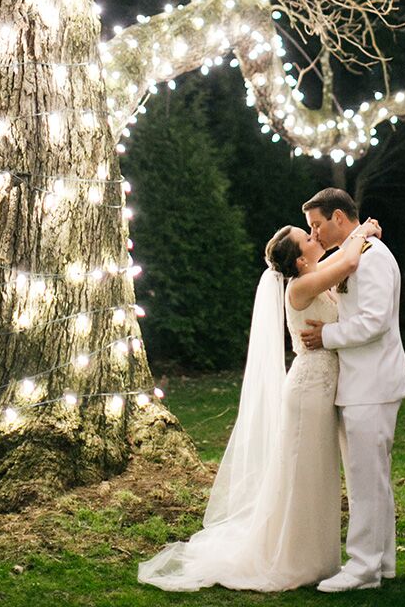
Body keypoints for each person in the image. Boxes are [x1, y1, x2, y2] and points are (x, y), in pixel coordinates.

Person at [137, 214, 382, 592]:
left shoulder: (314, 272)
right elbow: (348, 261)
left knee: (319, 474)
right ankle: (295, 559)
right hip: (309, 391)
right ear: (300, 260)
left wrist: (353, 236)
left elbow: (341, 258)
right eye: (309, 235)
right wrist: (363, 231)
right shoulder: (300, 287)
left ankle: (316, 557)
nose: (316, 235)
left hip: (324, 387)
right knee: (305, 473)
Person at [301, 187, 405, 593]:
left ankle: (362, 567)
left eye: (317, 225)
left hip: (374, 383)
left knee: (366, 481)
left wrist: (327, 335)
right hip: (362, 384)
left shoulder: (375, 258)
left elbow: (375, 321)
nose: (314, 234)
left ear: (339, 218)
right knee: (372, 478)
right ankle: (382, 564)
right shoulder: (356, 251)